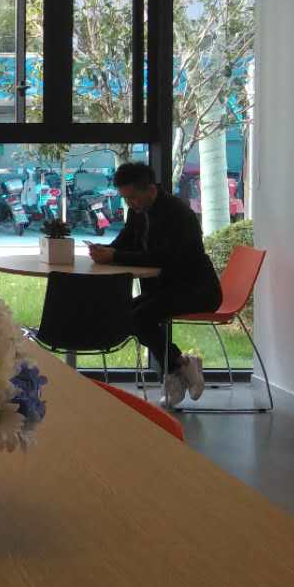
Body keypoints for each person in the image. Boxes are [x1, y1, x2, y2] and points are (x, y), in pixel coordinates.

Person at [87, 161, 222, 408]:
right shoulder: (138, 211)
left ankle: (177, 368)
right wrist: (106, 250)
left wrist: (115, 256)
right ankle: (181, 364)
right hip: (166, 288)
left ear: (151, 189)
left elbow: (163, 258)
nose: (131, 204)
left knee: (139, 317)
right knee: (126, 314)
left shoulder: (178, 214)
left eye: (133, 198)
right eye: (125, 199)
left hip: (197, 290)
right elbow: (126, 240)